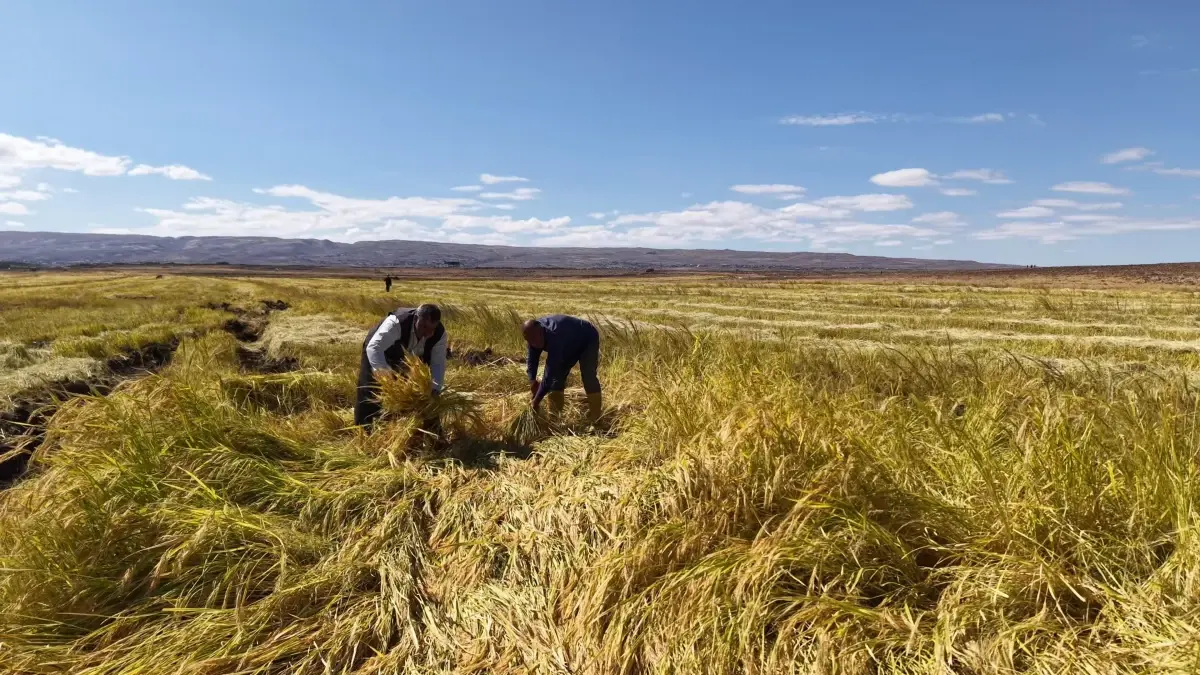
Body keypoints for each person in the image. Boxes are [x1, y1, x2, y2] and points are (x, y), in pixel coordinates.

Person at [355, 304, 447, 429]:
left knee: (421, 394)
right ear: (416, 319)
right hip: (379, 350)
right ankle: (364, 430)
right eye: (424, 327)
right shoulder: (397, 322)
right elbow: (374, 348)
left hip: (407, 356)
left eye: (432, 329)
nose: (427, 333)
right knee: (370, 390)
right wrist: (384, 374)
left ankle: (431, 434)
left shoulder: (439, 334)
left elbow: (438, 363)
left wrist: (435, 388)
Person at [523, 314, 602, 423]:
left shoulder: (554, 335)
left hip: (587, 338)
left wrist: (536, 401)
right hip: (568, 344)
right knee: (557, 379)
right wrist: (532, 380)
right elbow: (532, 361)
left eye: (537, 338)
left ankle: (596, 418)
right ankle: (554, 419)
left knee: (588, 376)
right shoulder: (532, 336)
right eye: (530, 341)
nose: (535, 343)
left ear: (541, 330)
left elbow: (549, 374)